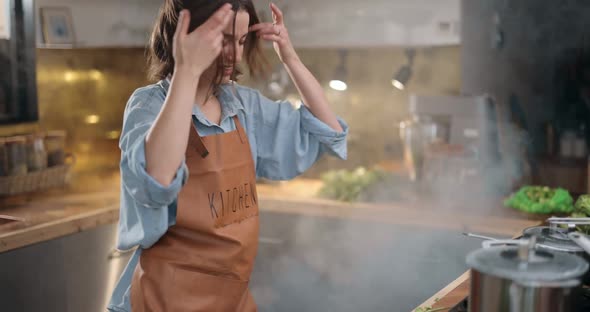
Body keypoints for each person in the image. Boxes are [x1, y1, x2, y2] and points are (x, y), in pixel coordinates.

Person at [108, 0, 348, 311]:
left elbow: (328, 133)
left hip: (229, 301)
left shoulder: (242, 106)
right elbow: (157, 178)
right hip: (163, 299)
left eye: (242, 40)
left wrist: (289, 56)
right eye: (223, 39)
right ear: (188, 36)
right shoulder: (149, 105)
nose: (234, 55)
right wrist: (187, 70)